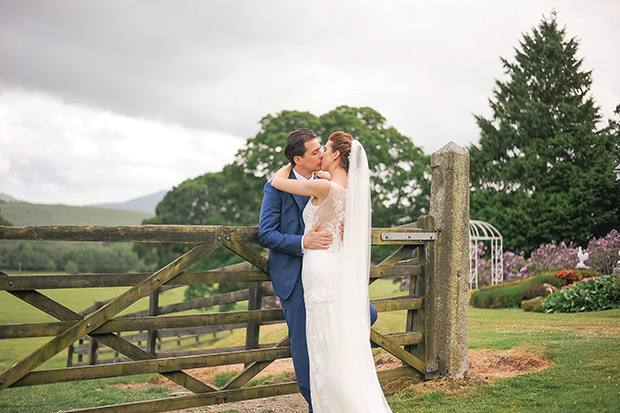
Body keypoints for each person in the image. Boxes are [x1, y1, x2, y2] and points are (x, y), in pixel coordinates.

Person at [258, 129, 378, 412]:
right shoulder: (275, 187)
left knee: (365, 314)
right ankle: (319, 404)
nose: (322, 153)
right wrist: (302, 241)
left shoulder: (326, 181)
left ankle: (340, 393)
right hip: (295, 276)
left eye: (322, 148)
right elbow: (266, 234)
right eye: (315, 151)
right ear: (298, 159)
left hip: (326, 272)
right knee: (304, 350)